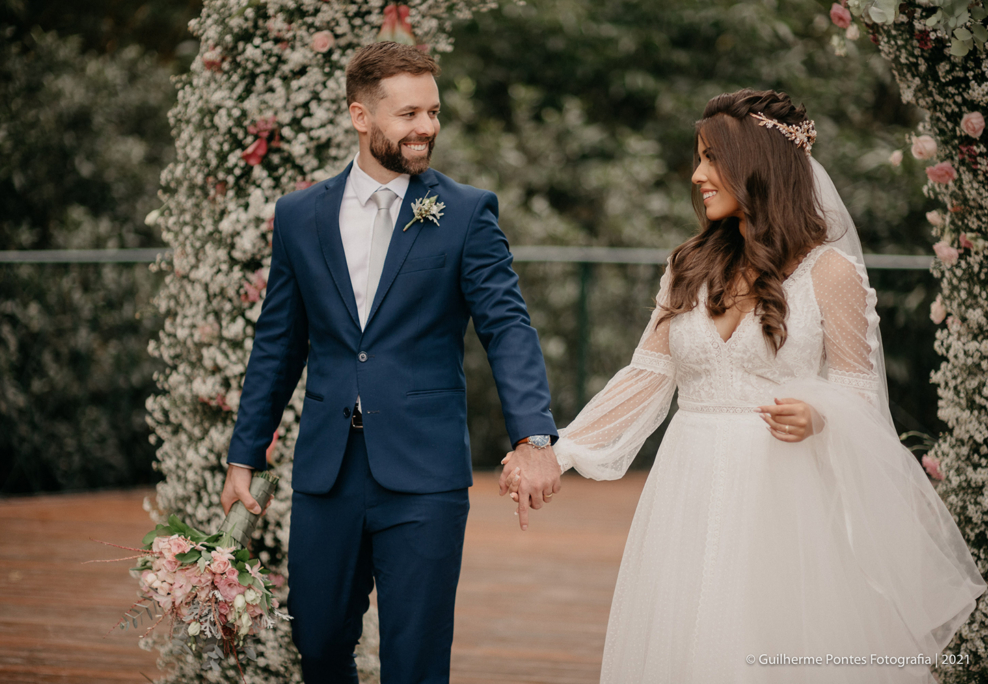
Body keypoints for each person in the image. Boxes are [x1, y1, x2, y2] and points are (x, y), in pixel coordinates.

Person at [502, 89, 985, 683]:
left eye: (711, 158)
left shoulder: (829, 271)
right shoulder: (688, 264)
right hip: (690, 487)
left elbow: (862, 393)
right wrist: (558, 449)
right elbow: (647, 377)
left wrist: (819, 413)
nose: (697, 174)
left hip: (786, 496)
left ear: (757, 163)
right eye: (699, 157)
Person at [221, 41, 562, 683]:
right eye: (408, 114)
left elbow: (508, 328)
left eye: (433, 112)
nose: (426, 127)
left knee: (415, 661)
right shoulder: (300, 216)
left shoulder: (465, 213)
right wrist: (245, 455)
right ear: (361, 116)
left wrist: (535, 434)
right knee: (318, 642)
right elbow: (279, 342)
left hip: (425, 473)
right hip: (327, 472)